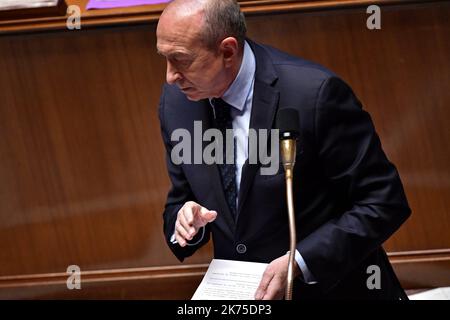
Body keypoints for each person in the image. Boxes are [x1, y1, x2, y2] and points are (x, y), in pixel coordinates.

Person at [157, 0, 411, 299]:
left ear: (227, 51)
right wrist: (188, 221)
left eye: (181, 60)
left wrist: (301, 262)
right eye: (164, 58)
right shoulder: (177, 104)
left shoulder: (314, 94)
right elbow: (180, 200)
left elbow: (383, 202)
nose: (170, 76)